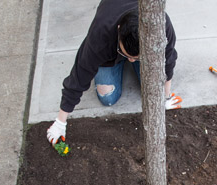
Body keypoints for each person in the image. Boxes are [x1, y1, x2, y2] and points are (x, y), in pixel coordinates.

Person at [47, 0, 182, 145]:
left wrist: (165, 97)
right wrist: (60, 122)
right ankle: (120, 58)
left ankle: (132, 54)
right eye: (126, 54)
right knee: (108, 97)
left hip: (142, 51)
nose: (131, 60)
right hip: (109, 52)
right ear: (119, 30)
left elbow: (168, 62)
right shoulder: (100, 34)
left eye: (135, 58)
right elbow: (80, 73)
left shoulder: (161, 26)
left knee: (153, 89)